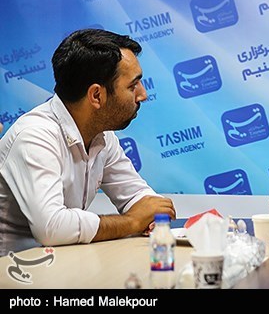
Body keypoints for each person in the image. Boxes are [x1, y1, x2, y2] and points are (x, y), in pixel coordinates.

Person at [0, 29, 175, 257]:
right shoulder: (35, 136)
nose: (143, 95)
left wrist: (150, 214)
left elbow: (137, 197)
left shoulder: (101, 135)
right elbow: (51, 228)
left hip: (57, 262)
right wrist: (132, 222)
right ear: (96, 96)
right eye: (133, 86)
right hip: (13, 268)